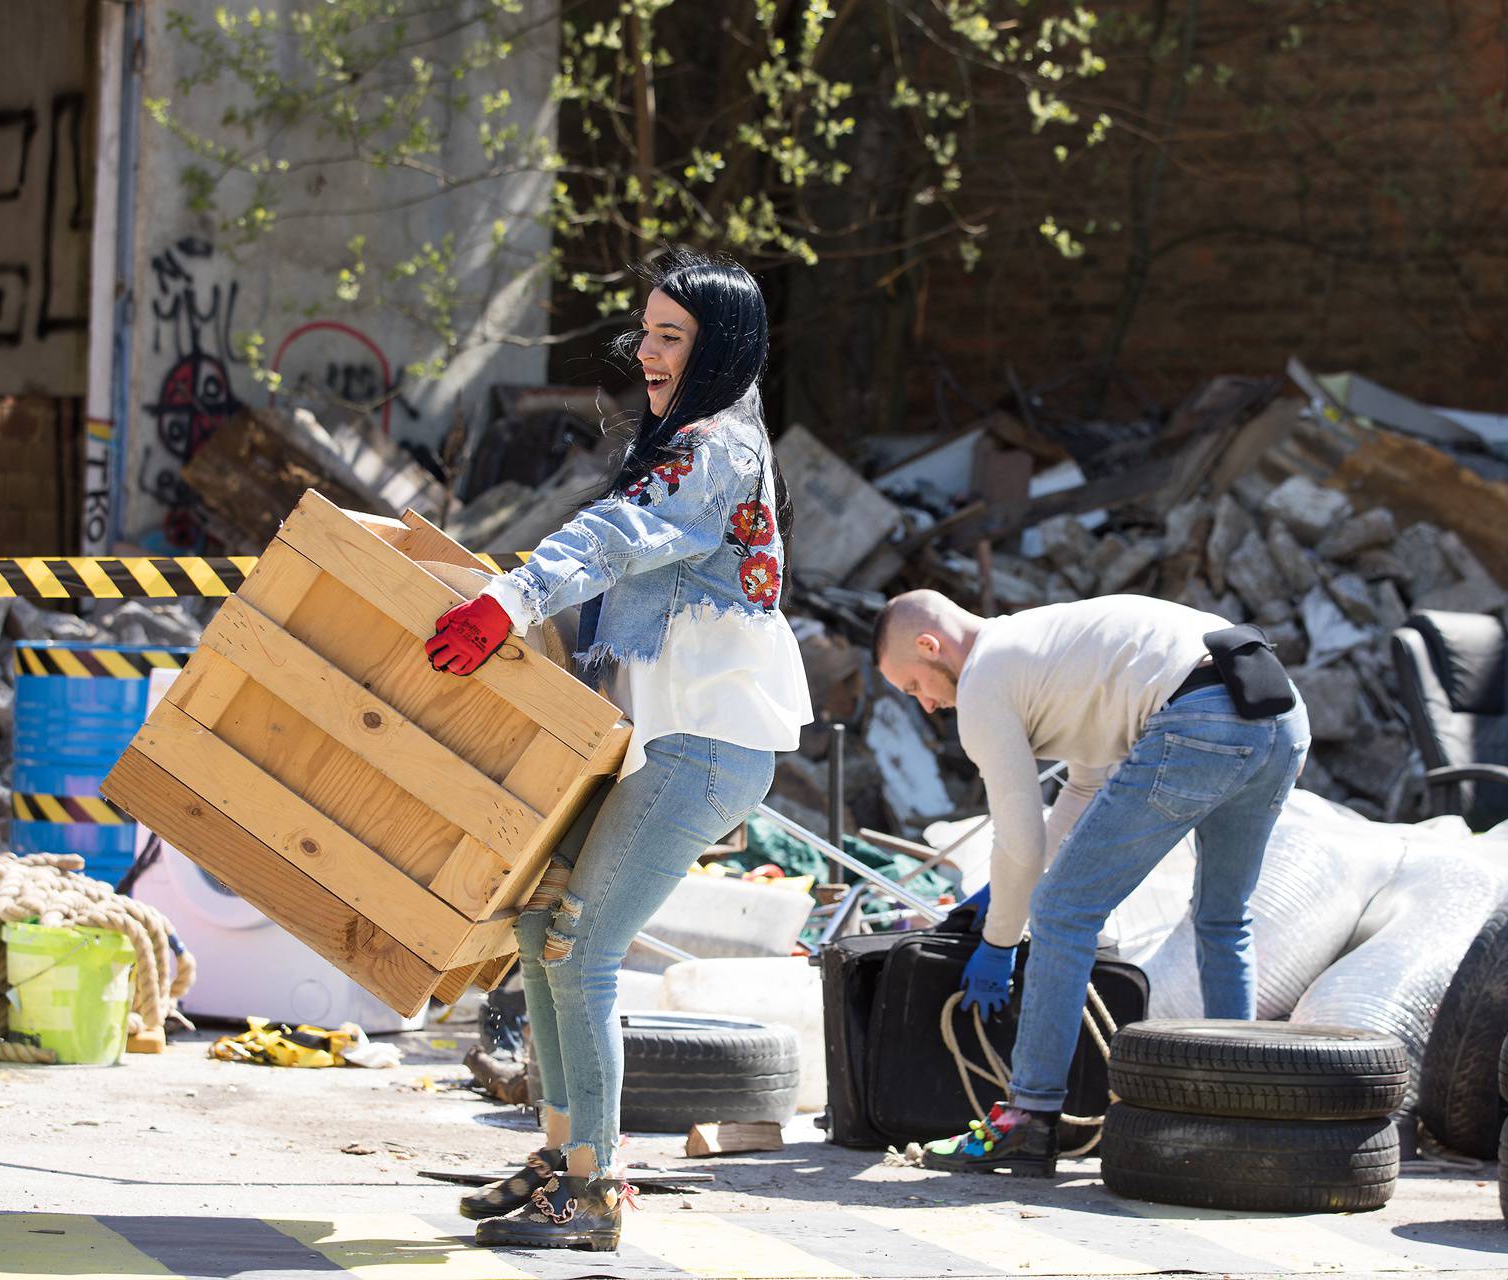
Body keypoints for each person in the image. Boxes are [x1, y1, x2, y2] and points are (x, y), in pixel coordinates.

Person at [425, 250, 811, 1249]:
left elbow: (620, 533)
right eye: (644, 330)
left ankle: (592, 1194)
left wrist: (508, 598)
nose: (646, 350)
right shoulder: (704, 435)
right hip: (663, 738)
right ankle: (565, 1155)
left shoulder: (715, 448)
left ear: (719, 348)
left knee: (581, 945)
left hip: (706, 742)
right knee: (541, 918)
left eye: (670, 335)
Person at [873, 589, 1309, 1176]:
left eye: (913, 687)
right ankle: (1247, 1109)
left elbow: (1021, 845)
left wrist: (1000, 941)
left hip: (1199, 718)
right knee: (1223, 917)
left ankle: (1027, 1116)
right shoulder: (1050, 647)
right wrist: (997, 896)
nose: (925, 706)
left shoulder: (983, 684)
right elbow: (1082, 792)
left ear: (930, 646)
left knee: (1061, 913)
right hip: (1277, 714)